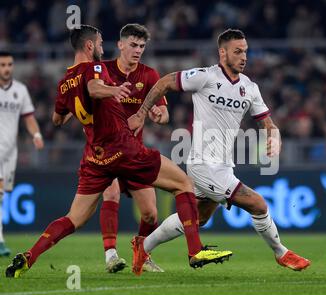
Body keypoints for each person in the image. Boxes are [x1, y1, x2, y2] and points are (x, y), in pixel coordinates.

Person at [5, 25, 232, 278]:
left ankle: (29, 256)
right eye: (101, 43)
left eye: (141, 46)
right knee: (184, 183)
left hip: (96, 158)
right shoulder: (97, 67)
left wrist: (152, 113)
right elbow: (93, 87)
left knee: (75, 218)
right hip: (126, 150)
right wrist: (113, 90)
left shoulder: (63, 83)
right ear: (91, 46)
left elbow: (58, 120)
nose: (103, 47)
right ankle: (193, 251)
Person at [128, 29, 310, 273]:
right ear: (222, 53)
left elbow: (268, 123)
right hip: (203, 163)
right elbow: (164, 83)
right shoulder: (205, 77)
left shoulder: (250, 88)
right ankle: (281, 253)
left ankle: (143, 247)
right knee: (258, 204)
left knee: (199, 218)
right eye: (237, 51)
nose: (243, 56)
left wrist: (274, 137)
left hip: (224, 164)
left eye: (245, 51)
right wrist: (141, 113)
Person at [99, 23, 168, 273]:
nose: (138, 50)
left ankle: (142, 254)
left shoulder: (149, 75)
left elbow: (164, 113)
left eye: (141, 46)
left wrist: (159, 113)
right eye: (133, 45)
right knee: (111, 194)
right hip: (106, 150)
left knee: (150, 213)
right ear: (120, 45)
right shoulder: (102, 71)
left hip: (135, 152)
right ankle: (111, 255)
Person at [0, 51, 44, 257]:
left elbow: (28, 117)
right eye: (2, 65)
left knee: (1, 195)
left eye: (9, 64)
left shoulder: (20, 90)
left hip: (10, 151)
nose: (6, 68)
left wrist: (35, 134)